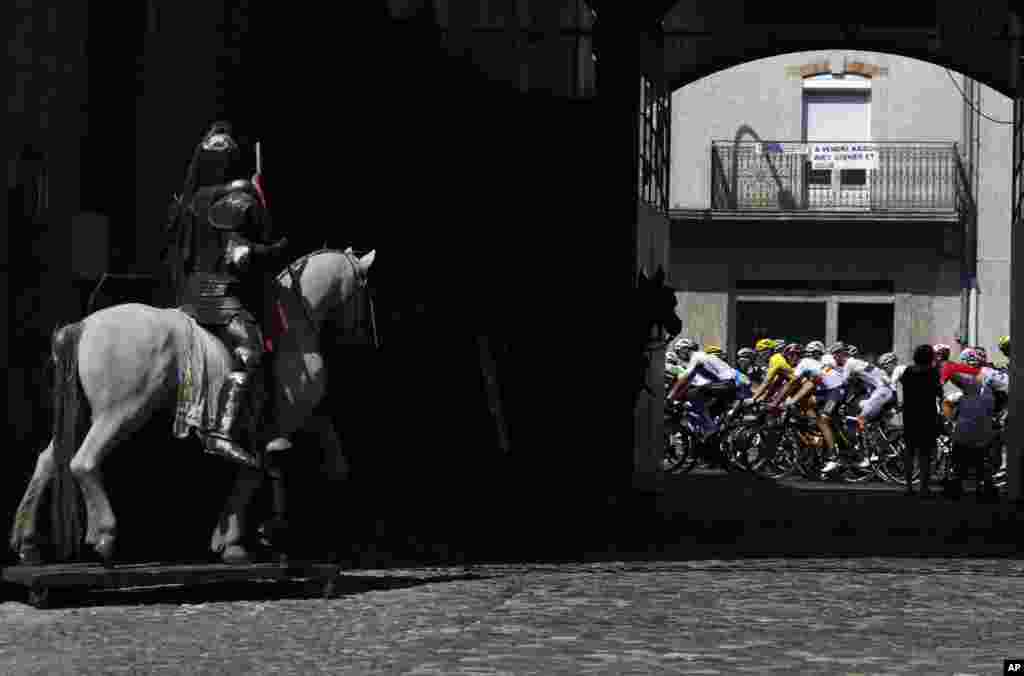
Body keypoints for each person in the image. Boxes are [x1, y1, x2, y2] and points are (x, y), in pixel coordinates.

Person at [167, 121, 289, 467]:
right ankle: (222, 430)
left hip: (187, 292)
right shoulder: (235, 194)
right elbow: (240, 253)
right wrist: (273, 245)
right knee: (251, 350)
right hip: (215, 294)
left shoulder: (190, 202)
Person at [782, 340, 848, 475]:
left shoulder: (804, 363)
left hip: (835, 390)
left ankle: (834, 457)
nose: (789, 360)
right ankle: (819, 441)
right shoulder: (812, 364)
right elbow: (805, 386)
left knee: (822, 420)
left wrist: (785, 400)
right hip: (828, 391)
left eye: (791, 357)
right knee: (810, 406)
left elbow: (792, 383)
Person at [668, 338, 739, 441]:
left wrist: (671, 397)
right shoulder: (705, 357)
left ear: (685, 349)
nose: (679, 356)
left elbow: (686, 378)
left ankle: (709, 427)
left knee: (691, 394)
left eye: (678, 352)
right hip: (726, 386)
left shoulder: (697, 357)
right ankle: (709, 427)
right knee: (697, 395)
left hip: (725, 385)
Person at [897, 344, 943, 497]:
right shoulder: (933, 372)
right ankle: (924, 487)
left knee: (909, 451)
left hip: (910, 414)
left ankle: (909, 486)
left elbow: (903, 386)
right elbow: (938, 392)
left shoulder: (908, 371)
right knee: (925, 453)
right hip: (926, 414)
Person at [830, 341, 895, 433]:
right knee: (860, 406)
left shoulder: (849, 363)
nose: (834, 358)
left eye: (834, 355)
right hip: (887, 391)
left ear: (841, 354)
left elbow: (842, 384)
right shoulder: (857, 362)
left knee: (860, 419)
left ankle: (861, 444)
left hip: (883, 391)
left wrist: (840, 402)